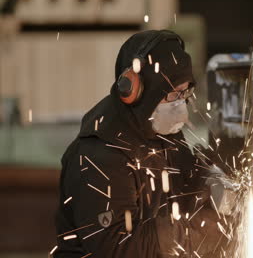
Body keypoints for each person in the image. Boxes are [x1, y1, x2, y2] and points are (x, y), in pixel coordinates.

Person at [54, 30, 229, 258]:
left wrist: (211, 180)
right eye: (172, 94)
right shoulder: (98, 156)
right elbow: (118, 247)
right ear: (135, 91)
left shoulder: (162, 133)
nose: (181, 107)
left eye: (185, 93)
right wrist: (205, 229)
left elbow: (186, 178)